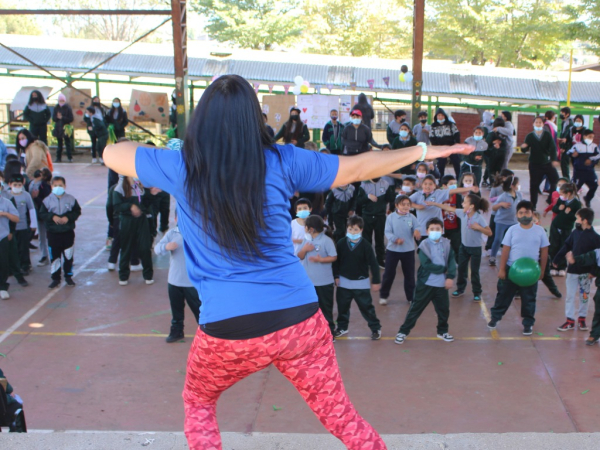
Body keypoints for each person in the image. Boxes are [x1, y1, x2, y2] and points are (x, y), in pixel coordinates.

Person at [103, 74, 473, 449]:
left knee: (199, 402)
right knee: (340, 416)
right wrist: (421, 151)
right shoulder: (283, 159)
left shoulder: (181, 166)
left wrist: (170, 151)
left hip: (226, 329)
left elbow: (112, 153)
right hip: (298, 321)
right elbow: (361, 166)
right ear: (254, 119)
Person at [488, 201, 549, 335]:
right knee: (503, 295)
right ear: (516, 215)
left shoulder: (540, 231)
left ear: (532, 214)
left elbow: (544, 252)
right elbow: (505, 250)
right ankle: (495, 318)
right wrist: (502, 269)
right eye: (521, 213)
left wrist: (542, 271)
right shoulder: (512, 230)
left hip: (530, 272)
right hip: (511, 269)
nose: (524, 215)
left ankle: (528, 323)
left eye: (527, 212)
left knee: (529, 298)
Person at [394, 217, 456, 344]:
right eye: (432, 229)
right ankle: (403, 332)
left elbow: (451, 261)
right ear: (427, 231)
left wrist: (450, 277)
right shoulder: (424, 245)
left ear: (442, 230)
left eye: (437, 229)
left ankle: (442, 331)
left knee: (444, 310)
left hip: (441, 285)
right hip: (426, 284)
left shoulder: (447, 244)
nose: (435, 231)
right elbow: (426, 264)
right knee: (415, 309)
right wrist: (443, 269)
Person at [432, 194, 492, 302]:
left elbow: (489, 232)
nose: (462, 204)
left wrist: (478, 227)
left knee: (474, 271)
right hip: (463, 247)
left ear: (471, 206)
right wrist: (435, 204)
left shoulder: (479, 218)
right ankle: (460, 289)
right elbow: (449, 208)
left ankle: (477, 292)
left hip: (475, 249)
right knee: (461, 269)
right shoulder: (463, 213)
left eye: (464, 202)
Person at [154, 209, 201, 343]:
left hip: (192, 282)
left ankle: (206, 334)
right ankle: (177, 331)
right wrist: (166, 246)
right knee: (176, 310)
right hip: (174, 281)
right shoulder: (173, 233)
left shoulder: (198, 234)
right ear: (175, 219)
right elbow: (157, 249)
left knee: (199, 311)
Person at [333, 215, 382, 340]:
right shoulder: (341, 243)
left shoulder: (366, 245)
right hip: (343, 283)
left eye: (355, 229)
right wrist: (336, 276)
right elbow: (335, 262)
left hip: (361, 283)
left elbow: (373, 264)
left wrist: (376, 280)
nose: (352, 232)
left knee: (366, 307)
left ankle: (375, 328)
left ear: (361, 230)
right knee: (342, 307)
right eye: (350, 229)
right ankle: (342, 327)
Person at [553, 208, 600, 332]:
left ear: (584, 221)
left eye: (578, 218)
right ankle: (570, 320)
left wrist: (593, 272)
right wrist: (557, 259)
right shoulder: (575, 233)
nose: (576, 221)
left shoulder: (596, 238)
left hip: (586, 274)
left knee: (584, 296)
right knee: (570, 296)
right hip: (572, 271)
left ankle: (582, 319)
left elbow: (597, 257)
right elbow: (566, 246)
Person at [297, 215, 337, 337]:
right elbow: (300, 256)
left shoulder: (326, 241)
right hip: (309, 282)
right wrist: (304, 249)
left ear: (311, 229)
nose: (304, 229)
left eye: (306, 227)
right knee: (310, 308)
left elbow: (333, 257)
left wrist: (321, 259)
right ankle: (313, 331)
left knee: (326, 308)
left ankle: (330, 331)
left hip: (324, 282)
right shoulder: (306, 240)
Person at [38, 176, 81, 288]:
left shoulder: (71, 199)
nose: (58, 188)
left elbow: (77, 211)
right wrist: (52, 217)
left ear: (65, 186)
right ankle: (55, 278)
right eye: (55, 185)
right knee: (55, 257)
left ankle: (68, 276)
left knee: (68, 256)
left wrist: (68, 217)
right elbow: (42, 214)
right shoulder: (47, 201)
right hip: (53, 233)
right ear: (51, 186)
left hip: (67, 232)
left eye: (60, 185)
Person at [112, 176, 155, 286]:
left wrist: (150, 194)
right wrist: (130, 206)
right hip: (127, 221)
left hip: (141, 220)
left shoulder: (139, 185)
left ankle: (148, 275)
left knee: (145, 247)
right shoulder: (120, 188)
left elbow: (146, 204)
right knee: (126, 247)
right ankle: (123, 276)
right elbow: (117, 206)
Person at [379, 195, 420, 305]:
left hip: (408, 250)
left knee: (409, 275)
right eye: (403, 204)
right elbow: (387, 232)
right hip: (393, 250)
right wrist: (395, 239)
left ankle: (411, 297)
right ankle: (383, 295)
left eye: (408, 204)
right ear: (397, 205)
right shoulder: (391, 217)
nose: (406, 207)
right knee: (389, 274)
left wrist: (416, 231)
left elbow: (417, 227)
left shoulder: (412, 217)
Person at [520, 116, 559, 210]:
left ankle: (550, 199)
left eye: (540, 123)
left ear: (543, 124)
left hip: (547, 162)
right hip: (534, 164)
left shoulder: (547, 135)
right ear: (533, 124)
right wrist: (523, 147)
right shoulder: (530, 136)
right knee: (534, 185)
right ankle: (533, 206)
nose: (538, 124)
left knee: (555, 179)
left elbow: (553, 148)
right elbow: (524, 150)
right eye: (536, 122)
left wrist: (554, 159)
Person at [356, 177, 396, 267]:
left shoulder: (385, 184)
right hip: (367, 215)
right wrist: (367, 196)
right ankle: (368, 259)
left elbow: (390, 198)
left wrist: (396, 196)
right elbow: (358, 201)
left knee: (380, 239)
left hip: (380, 215)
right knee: (367, 239)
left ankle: (380, 260)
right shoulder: (363, 184)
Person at [568, 248, 600, 345]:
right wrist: (574, 259)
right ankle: (594, 334)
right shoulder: (598, 252)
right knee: (599, 311)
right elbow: (587, 258)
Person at [549, 182, 581, 276]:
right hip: (555, 226)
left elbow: (576, 218)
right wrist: (559, 208)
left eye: (562, 194)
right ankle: (552, 266)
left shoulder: (576, 203)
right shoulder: (561, 200)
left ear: (569, 193)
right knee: (554, 245)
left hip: (566, 228)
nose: (561, 196)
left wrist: (569, 214)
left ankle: (562, 266)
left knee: (564, 246)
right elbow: (554, 209)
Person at [6, 175, 36, 275]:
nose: (17, 187)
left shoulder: (26, 195)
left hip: (22, 226)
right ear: (10, 184)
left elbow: (31, 209)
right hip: (9, 228)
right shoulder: (6, 196)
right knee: (11, 249)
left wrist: (33, 224)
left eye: (19, 185)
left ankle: (25, 266)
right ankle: (12, 268)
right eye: (15, 185)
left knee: (23, 247)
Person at [489, 175, 522, 267]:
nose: (519, 185)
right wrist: (500, 204)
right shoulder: (503, 196)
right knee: (498, 239)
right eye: (518, 184)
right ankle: (492, 257)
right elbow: (494, 207)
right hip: (501, 221)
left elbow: (522, 205)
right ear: (512, 185)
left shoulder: (519, 195)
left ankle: (512, 257)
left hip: (514, 222)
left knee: (513, 240)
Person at [568, 129, 599, 207]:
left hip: (590, 171)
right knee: (574, 189)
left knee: (595, 185)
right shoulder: (577, 145)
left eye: (592, 137)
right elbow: (569, 152)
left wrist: (591, 160)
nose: (591, 139)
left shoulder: (594, 146)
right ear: (584, 136)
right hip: (579, 172)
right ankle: (570, 204)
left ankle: (588, 198)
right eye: (589, 137)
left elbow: (598, 156)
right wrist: (573, 154)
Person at [30, 168, 52, 267]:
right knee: (42, 237)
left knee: (49, 236)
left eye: (41, 173)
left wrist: (36, 198)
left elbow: (45, 202)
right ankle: (44, 255)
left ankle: (51, 255)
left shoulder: (44, 186)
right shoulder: (34, 183)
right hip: (39, 214)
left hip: (45, 214)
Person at [0, 191, 20, 300]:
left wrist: (5, 214)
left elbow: (17, 218)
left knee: (3, 262)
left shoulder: (6, 202)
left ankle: (2, 287)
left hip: (2, 236)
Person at [430, 108, 461, 177]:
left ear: (444, 116)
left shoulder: (451, 124)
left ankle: (459, 179)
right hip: (441, 148)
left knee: (456, 163)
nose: (440, 117)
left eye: (442, 115)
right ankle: (441, 180)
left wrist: (456, 144)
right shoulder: (433, 126)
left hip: (451, 147)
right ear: (436, 116)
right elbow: (432, 137)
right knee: (441, 165)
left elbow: (456, 134)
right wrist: (437, 147)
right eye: (438, 115)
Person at [52, 93, 74, 162]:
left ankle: (70, 157)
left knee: (67, 143)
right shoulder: (56, 108)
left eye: (62, 101)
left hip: (66, 128)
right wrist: (57, 117)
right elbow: (53, 118)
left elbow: (71, 118)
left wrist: (62, 118)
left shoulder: (68, 108)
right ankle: (58, 158)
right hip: (58, 128)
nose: (61, 102)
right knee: (59, 144)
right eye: (60, 101)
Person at [557, 107, 574, 178]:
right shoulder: (564, 122)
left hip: (568, 146)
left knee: (564, 163)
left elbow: (566, 136)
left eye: (562, 113)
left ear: (567, 114)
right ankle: (566, 178)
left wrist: (564, 146)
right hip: (565, 146)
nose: (561, 114)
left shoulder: (569, 123)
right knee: (563, 164)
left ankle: (567, 179)